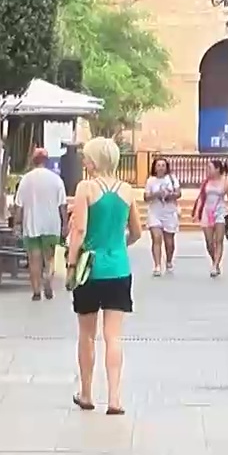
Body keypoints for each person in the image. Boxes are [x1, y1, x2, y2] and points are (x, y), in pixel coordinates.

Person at [65, 136, 141, 415]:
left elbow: (80, 231)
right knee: (114, 336)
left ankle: (86, 393)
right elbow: (136, 232)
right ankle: (115, 398)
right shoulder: (127, 190)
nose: (84, 161)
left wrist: (71, 264)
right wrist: (118, 248)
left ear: (95, 160)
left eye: (86, 156)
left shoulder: (85, 188)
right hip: (119, 269)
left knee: (86, 335)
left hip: (90, 269)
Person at [13, 147, 68, 301]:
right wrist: (65, 224)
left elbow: (19, 205)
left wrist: (16, 224)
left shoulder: (25, 179)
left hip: (31, 225)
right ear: (47, 160)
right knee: (49, 258)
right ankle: (48, 280)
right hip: (51, 225)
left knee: (34, 259)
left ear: (33, 161)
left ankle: (36, 291)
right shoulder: (56, 179)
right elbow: (62, 205)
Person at [144, 156, 182, 277]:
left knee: (169, 242)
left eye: (163, 165)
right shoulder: (150, 180)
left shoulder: (172, 178)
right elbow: (145, 197)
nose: (160, 168)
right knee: (156, 238)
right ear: (154, 167)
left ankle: (169, 260)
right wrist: (156, 194)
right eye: (158, 165)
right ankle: (157, 265)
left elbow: (178, 193)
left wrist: (169, 195)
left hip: (169, 212)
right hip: (155, 212)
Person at [193, 159, 228, 277]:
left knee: (218, 240)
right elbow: (201, 197)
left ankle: (215, 264)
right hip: (207, 211)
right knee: (209, 242)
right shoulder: (206, 182)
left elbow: (225, 191)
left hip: (219, 211)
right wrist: (196, 212)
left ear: (217, 169)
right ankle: (214, 259)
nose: (207, 170)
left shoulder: (224, 180)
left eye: (210, 168)